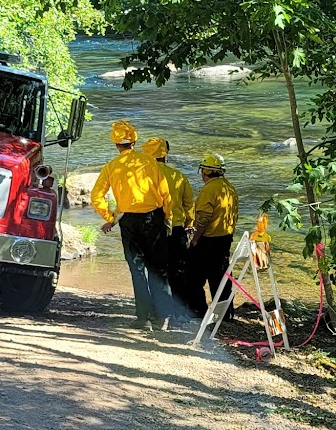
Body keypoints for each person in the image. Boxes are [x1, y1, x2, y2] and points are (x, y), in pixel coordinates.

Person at [91, 120, 177, 328]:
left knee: (137, 269)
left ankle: (143, 317)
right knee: (158, 268)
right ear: (134, 141)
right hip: (153, 218)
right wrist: (168, 216)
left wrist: (110, 217)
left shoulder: (111, 167)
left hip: (128, 221)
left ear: (115, 144)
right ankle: (162, 317)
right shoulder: (149, 162)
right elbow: (166, 192)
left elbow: (96, 196)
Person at [143, 137, 195, 314]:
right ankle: (180, 313)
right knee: (178, 271)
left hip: (153, 230)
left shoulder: (143, 177)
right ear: (166, 155)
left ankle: (160, 311)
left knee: (156, 271)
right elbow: (189, 205)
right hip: (177, 229)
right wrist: (190, 223)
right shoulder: (179, 177)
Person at [189, 152, 239, 316]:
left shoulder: (209, 190)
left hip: (209, 240)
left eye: (203, 170)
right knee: (222, 278)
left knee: (195, 277)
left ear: (207, 172)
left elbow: (203, 219)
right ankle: (226, 313)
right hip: (225, 238)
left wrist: (194, 239)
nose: (202, 174)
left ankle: (199, 310)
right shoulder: (229, 187)